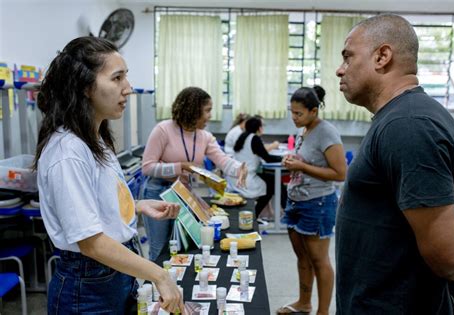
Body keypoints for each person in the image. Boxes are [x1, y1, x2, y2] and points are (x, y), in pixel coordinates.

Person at [33, 37, 184, 314]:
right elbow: (91, 242)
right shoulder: (68, 151)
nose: (128, 88)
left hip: (113, 274)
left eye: (126, 77)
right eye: (117, 78)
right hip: (88, 283)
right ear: (85, 87)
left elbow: (92, 206)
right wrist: (160, 275)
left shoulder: (94, 138)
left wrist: (136, 206)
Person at [335, 14, 454, 314]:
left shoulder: (408, 125)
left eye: (348, 57)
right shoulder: (402, 117)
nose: (339, 70)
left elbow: (452, 257)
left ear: (382, 56)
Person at [141, 86, 247, 261]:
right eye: (207, 110)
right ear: (193, 109)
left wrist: (240, 168)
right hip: (157, 191)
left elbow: (223, 160)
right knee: (159, 247)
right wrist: (181, 166)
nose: (210, 115)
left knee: (181, 245)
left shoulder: (204, 136)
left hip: (182, 192)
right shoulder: (163, 130)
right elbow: (147, 167)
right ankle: (156, 287)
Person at [277, 87, 346, 315]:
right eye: (292, 112)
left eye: (298, 114)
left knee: (319, 260)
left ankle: (323, 312)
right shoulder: (304, 130)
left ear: (314, 110)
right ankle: (304, 303)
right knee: (302, 257)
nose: (293, 118)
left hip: (317, 203)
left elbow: (339, 173)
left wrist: (301, 166)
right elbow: (308, 162)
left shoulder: (327, 132)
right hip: (296, 201)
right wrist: (294, 161)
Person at [229, 116, 286, 220]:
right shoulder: (254, 138)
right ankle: (285, 211)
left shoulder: (243, 136)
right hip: (246, 179)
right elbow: (267, 158)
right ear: (259, 128)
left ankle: (256, 215)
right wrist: (283, 158)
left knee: (273, 182)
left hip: (237, 177)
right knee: (275, 184)